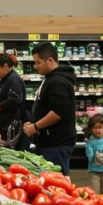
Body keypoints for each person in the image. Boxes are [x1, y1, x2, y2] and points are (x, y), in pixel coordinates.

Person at [24, 43, 77, 174]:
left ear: (50, 60)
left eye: (38, 62)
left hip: (56, 144)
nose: (35, 66)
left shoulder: (57, 82)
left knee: (55, 180)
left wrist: (35, 127)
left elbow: (58, 112)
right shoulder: (51, 78)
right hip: (50, 142)